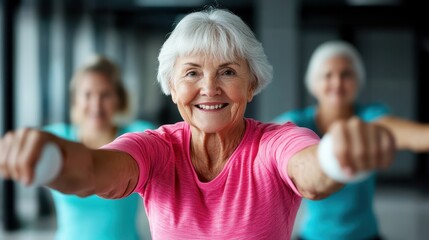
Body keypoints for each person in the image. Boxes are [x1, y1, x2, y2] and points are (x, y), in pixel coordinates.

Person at [0, 9, 396, 239]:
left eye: (227, 71)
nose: (210, 88)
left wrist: (335, 156)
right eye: (191, 73)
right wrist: (46, 157)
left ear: (251, 83)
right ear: (171, 87)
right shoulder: (154, 147)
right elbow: (92, 170)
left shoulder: (276, 141)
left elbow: (308, 171)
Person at [274, 40, 429, 240]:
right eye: (327, 75)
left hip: (366, 235)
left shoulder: (371, 115)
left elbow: (409, 134)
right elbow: (264, 143)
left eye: (346, 74)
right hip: (313, 236)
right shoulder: (298, 121)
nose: (337, 82)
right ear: (313, 83)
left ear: (358, 81)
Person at [44, 55, 156, 240]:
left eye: (105, 95)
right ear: (75, 100)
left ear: (119, 99)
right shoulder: (57, 138)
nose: (96, 105)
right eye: (88, 95)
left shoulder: (138, 135)